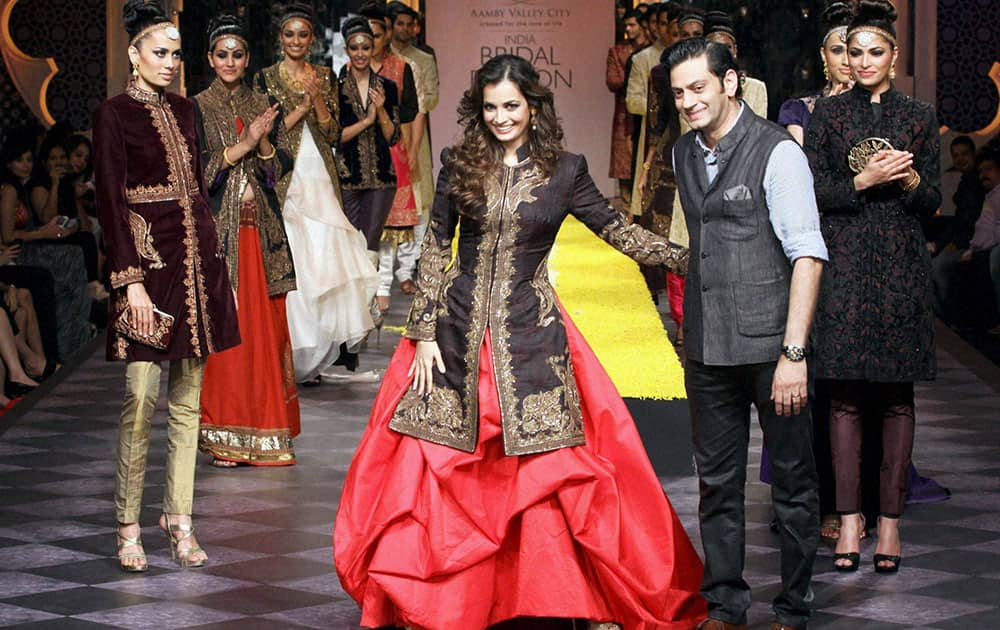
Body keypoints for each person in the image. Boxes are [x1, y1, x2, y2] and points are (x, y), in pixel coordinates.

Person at [335, 55, 704, 630]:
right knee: (443, 470)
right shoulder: (460, 163)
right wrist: (424, 332)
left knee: (547, 473)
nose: (502, 117)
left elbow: (620, 233)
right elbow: (436, 248)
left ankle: (557, 594)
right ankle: (446, 600)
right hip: (454, 335)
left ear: (533, 106)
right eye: (491, 107)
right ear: (477, 111)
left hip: (533, 339)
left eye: (512, 106)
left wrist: (696, 260)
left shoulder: (566, 169)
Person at [667, 37, 827, 629]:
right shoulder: (683, 152)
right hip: (708, 348)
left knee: (791, 486)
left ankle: (793, 607)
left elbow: (807, 256)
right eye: (679, 92)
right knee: (717, 486)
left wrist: (794, 353)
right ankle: (727, 607)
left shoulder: (778, 152)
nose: (688, 101)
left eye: (699, 88)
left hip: (772, 351)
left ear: (730, 82)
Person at [93, 0, 240, 572]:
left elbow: (198, 188)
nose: (170, 63)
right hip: (147, 267)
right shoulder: (113, 114)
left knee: (188, 403)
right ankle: (127, 521)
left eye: (177, 55)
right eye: (160, 52)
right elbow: (110, 198)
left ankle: (179, 517)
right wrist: (129, 281)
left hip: (195, 266)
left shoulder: (185, 110)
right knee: (139, 396)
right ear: (134, 53)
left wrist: (214, 257)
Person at [804, 0, 941, 574]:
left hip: (901, 270)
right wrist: (863, 179)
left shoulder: (918, 115)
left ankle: (889, 524)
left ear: (893, 57)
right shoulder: (827, 118)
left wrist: (908, 180)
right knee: (842, 397)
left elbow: (932, 202)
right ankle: (849, 521)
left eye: (874, 52)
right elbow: (812, 195)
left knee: (895, 398)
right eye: (854, 52)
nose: (862, 61)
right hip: (844, 266)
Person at [193, 15, 300, 467]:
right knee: (230, 334)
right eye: (222, 55)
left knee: (265, 332)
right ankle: (224, 434)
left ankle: (267, 432)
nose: (230, 62)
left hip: (264, 237)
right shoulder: (195, 108)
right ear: (210, 59)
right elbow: (198, 175)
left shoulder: (264, 102)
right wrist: (244, 142)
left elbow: (279, 176)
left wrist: (264, 145)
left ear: (248, 58)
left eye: (237, 55)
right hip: (223, 237)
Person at [254, 3, 378, 384]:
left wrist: (318, 102)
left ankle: (317, 350)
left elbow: (332, 133)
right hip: (286, 177)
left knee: (324, 258)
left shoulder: (325, 75)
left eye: (302, 34)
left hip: (320, 174)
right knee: (292, 257)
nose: (296, 41)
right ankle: (289, 348)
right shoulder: (265, 78)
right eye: (289, 34)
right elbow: (266, 135)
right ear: (280, 39)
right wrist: (301, 107)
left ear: (312, 39)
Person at [1, 135, 91, 359]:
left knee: (75, 255)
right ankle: (61, 347)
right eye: (20, 160)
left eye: (29, 159)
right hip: (17, 253)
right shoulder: (10, 190)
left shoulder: (20, 186)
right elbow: (8, 234)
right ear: (9, 163)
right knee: (66, 262)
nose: (26, 165)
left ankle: (72, 337)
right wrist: (44, 232)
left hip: (27, 248)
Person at [359, 2, 419, 315]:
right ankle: (370, 288)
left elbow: (408, 118)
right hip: (358, 155)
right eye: (365, 34)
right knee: (366, 225)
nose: (370, 40)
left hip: (392, 152)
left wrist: (408, 158)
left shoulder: (400, 69)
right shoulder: (349, 70)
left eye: (377, 34)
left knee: (388, 227)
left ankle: (382, 288)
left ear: (386, 36)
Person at [389, 1, 440, 296]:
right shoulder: (378, 58)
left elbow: (431, 99)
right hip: (384, 135)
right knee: (385, 204)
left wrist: (412, 101)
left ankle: (408, 270)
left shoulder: (423, 59)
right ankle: (383, 273)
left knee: (418, 204)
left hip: (416, 136)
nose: (405, 29)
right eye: (400, 24)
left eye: (410, 24)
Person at [932, 136, 986, 324]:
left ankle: (951, 319)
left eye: (964, 154)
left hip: (976, 243)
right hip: (964, 241)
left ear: (973, 154)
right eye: (956, 155)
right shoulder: (966, 183)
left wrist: (955, 245)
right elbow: (959, 221)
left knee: (938, 267)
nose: (960, 159)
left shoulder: (980, 183)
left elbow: (976, 221)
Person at [607, 9, 646, 208]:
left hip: (648, 113)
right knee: (624, 163)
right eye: (626, 25)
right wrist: (634, 81)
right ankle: (625, 210)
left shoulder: (651, 51)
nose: (628, 29)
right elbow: (612, 81)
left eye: (632, 25)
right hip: (625, 112)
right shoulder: (617, 51)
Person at [703, 11, 768, 119]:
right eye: (716, 47)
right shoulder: (697, 89)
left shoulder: (755, 88)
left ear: (735, 50)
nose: (723, 53)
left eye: (728, 47)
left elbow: (759, 131)